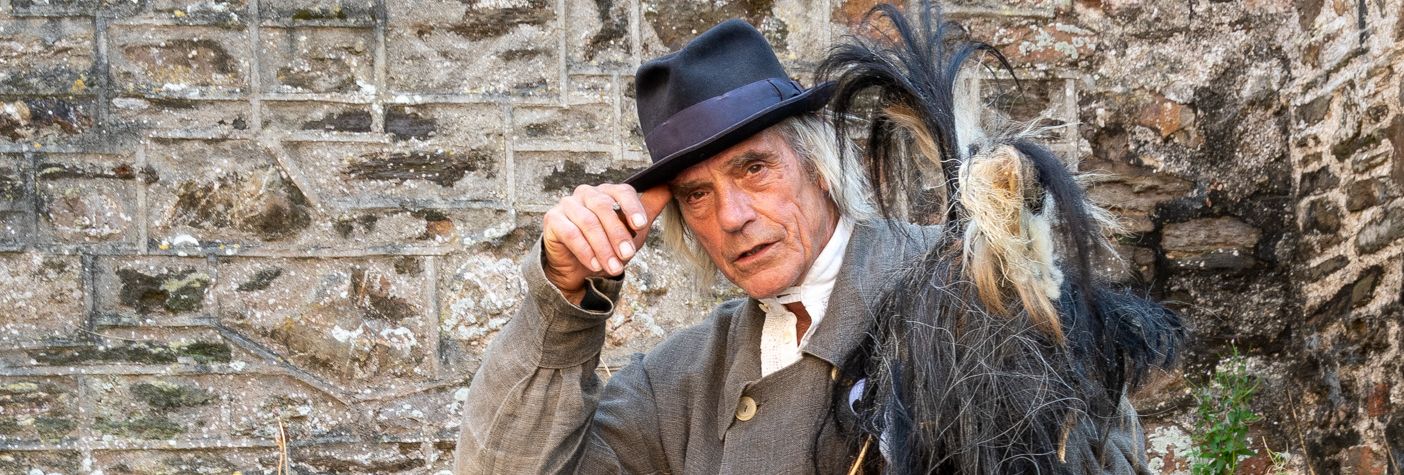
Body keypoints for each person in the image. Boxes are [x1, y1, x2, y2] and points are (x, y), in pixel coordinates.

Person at [454, 9, 1176, 474]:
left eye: (754, 167)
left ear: (820, 166)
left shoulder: (966, 284)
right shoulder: (681, 384)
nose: (732, 215)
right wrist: (561, 300)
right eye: (698, 195)